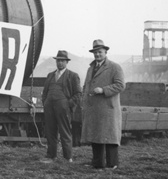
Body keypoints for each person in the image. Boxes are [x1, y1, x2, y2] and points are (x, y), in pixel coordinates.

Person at [81, 39, 126, 170]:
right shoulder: (91, 68)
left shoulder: (114, 67)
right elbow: (86, 86)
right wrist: (84, 100)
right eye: (95, 52)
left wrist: (103, 90)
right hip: (94, 109)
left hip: (108, 109)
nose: (97, 54)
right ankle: (97, 163)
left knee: (110, 137)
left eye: (100, 52)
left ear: (106, 52)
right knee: (96, 136)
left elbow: (120, 85)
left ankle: (112, 164)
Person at [40, 50, 82, 163]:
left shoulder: (72, 76)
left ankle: (68, 157)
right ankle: (51, 155)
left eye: (62, 61)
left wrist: (68, 105)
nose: (60, 63)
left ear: (67, 62)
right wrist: (45, 103)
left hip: (63, 109)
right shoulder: (50, 75)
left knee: (65, 131)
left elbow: (78, 94)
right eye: (58, 60)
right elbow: (45, 92)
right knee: (50, 131)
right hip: (49, 108)